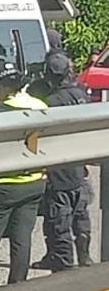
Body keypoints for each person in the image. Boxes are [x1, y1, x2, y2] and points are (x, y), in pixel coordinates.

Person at [0, 61, 47, 284]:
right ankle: (17, 285)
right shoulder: (39, 105)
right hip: (34, 181)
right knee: (22, 240)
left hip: (3, 185)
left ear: (1, 88)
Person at [33, 53, 93, 271]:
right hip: (79, 165)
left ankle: (63, 267)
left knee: (59, 221)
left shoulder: (51, 103)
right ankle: (84, 257)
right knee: (81, 215)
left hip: (58, 169)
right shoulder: (81, 94)